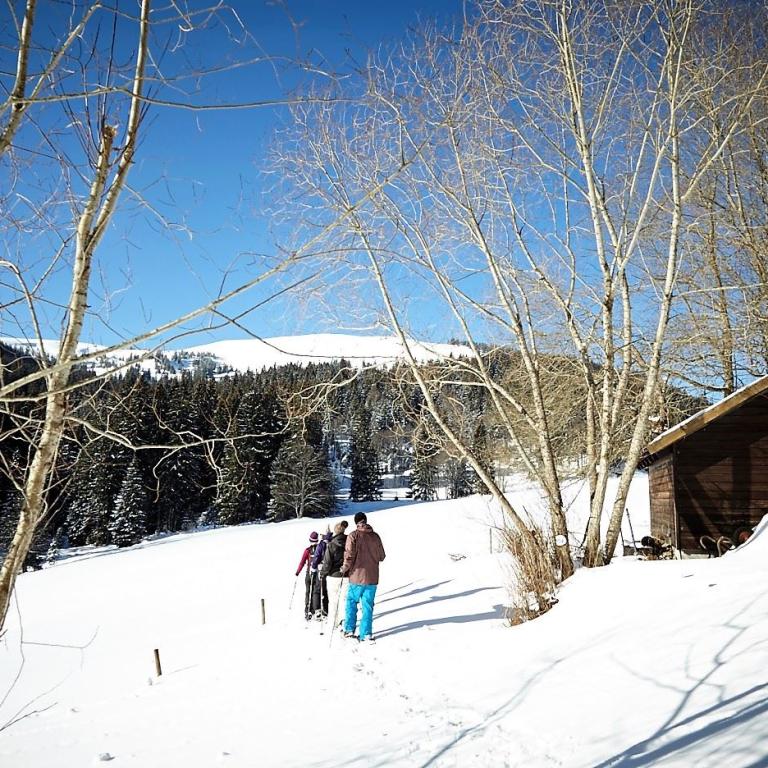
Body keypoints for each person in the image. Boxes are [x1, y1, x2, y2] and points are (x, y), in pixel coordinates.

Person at [341, 512, 385, 642]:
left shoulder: (353, 536)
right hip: (372, 577)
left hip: (356, 576)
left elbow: (349, 555)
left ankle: (349, 629)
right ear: (365, 520)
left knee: (351, 602)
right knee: (367, 606)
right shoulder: (375, 536)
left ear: (356, 522)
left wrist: (344, 568)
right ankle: (366, 633)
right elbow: (382, 556)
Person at [321, 521, 349, 628]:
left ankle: (333, 622)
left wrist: (323, 573)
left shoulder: (332, 544)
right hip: (346, 574)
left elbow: (327, 562)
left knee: (333, 600)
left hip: (333, 576)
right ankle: (343, 621)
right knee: (343, 600)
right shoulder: (349, 542)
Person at [295, 531, 319, 621]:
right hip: (316, 574)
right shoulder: (320, 549)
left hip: (308, 574)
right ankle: (314, 609)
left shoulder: (307, 550)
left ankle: (307, 610)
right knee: (315, 592)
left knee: (308, 591)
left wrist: (298, 572)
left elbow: (302, 562)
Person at [310, 530, 333, 618]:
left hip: (321, 569)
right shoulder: (332, 543)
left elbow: (316, 556)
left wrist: (313, 568)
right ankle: (326, 609)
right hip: (331, 570)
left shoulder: (321, 544)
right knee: (326, 590)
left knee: (317, 589)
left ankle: (318, 609)